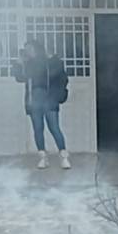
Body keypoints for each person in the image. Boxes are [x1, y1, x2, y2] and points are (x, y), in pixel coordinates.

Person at [11, 39, 72, 170]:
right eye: (26, 49)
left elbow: (60, 74)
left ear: (37, 49)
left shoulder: (48, 62)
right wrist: (18, 64)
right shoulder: (28, 64)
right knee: (38, 129)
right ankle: (43, 157)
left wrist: (53, 59)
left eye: (30, 49)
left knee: (54, 127)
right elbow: (20, 78)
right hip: (34, 99)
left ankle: (63, 156)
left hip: (49, 99)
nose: (28, 52)